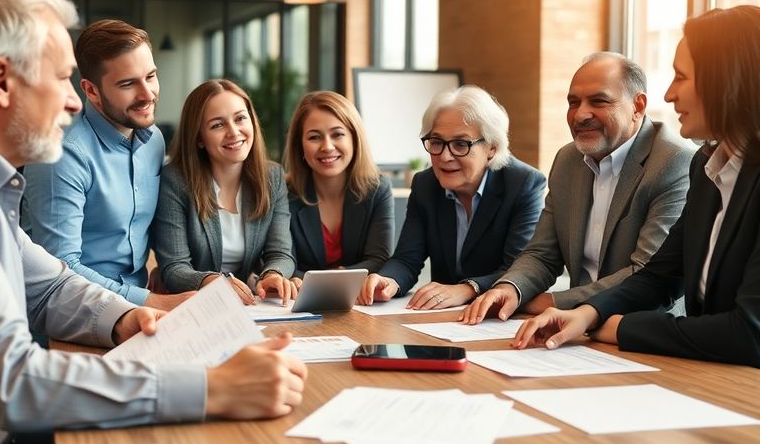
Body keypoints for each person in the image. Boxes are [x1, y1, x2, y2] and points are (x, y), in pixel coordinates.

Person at [0, 0, 307, 444]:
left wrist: (132, 318)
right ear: (0, 81)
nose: (72, 101)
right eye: (62, 77)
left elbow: (48, 286)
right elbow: (11, 379)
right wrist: (214, 388)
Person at [513, 5, 760, 397]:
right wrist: (586, 313)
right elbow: (660, 275)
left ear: (730, 81)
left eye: (682, 76)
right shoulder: (708, 164)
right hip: (732, 385)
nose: (669, 93)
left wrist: (612, 327)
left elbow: (752, 333)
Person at [460, 53, 694, 324]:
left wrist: (551, 302)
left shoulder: (674, 162)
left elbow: (646, 273)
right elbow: (542, 254)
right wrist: (510, 288)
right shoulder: (567, 160)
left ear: (637, 106)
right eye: (573, 102)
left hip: (640, 329)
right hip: (575, 329)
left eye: (599, 101)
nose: (581, 114)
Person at [23, 19, 191, 311]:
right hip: (70, 313)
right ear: (91, 90)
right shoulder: (61, 154)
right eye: (128, 84)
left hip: (140, 309)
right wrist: (155, 302)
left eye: (151, 76)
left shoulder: (153, 141)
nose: (147, 94)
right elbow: (61, 271)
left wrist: (165, 274)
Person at [359, 85, 547, 309]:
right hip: (442, 318)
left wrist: (468, 289)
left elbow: (520, 269)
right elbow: (406, 259)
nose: (445, 156)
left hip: (501, 315)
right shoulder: (425, 184)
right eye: (437, 142)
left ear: (492, 148)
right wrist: (388, 281)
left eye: (461, 144)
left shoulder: (524, 183)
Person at [153, 79, 298, 305]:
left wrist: (273, 275)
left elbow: (281, 253)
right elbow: (174, 269)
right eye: (217, 125)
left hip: (251, 305)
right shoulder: (176, 181)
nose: (234, 132)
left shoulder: (273, 177)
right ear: (199, 138)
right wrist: (213, 281)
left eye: (240, 118)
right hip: (196, 306)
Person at [284, 91, 394, 282]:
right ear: (300, 145)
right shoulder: (283, 193)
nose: (327, 146)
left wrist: (333, 280)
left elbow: (378, 258)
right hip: (296, 303)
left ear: (354, 139)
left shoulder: (378, 188)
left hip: (361, 301)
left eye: (337, 134)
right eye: (314, 137)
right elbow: (284, 262)